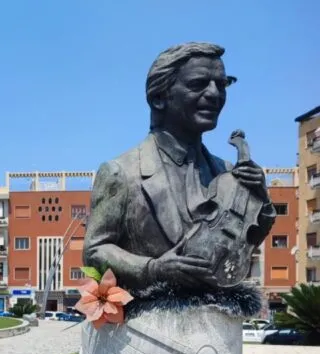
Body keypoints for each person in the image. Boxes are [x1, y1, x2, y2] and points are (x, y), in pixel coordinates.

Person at [83, 42, 274, 290]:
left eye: (222, 84)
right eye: (199, 84)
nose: (215, 94)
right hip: (150, 321)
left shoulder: (227, 172)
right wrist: (153, 269)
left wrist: (260, 199)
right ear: (159, 98)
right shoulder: (121, 172)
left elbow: (241, 243)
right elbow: (95, 250)